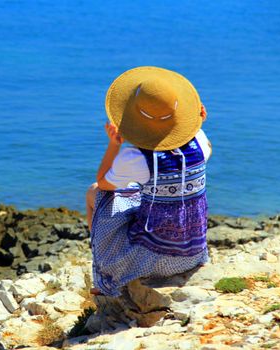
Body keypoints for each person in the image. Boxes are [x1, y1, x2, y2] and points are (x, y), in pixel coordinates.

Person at [86, 66, 212, 297]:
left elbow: (103, 182)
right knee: (143, 190)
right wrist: (198, 125)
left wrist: (114, 144)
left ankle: (105, 272)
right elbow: (208, 147)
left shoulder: (137, 157)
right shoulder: (199, 143)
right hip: (193, 253)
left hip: (155, 259)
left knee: (95, 193)